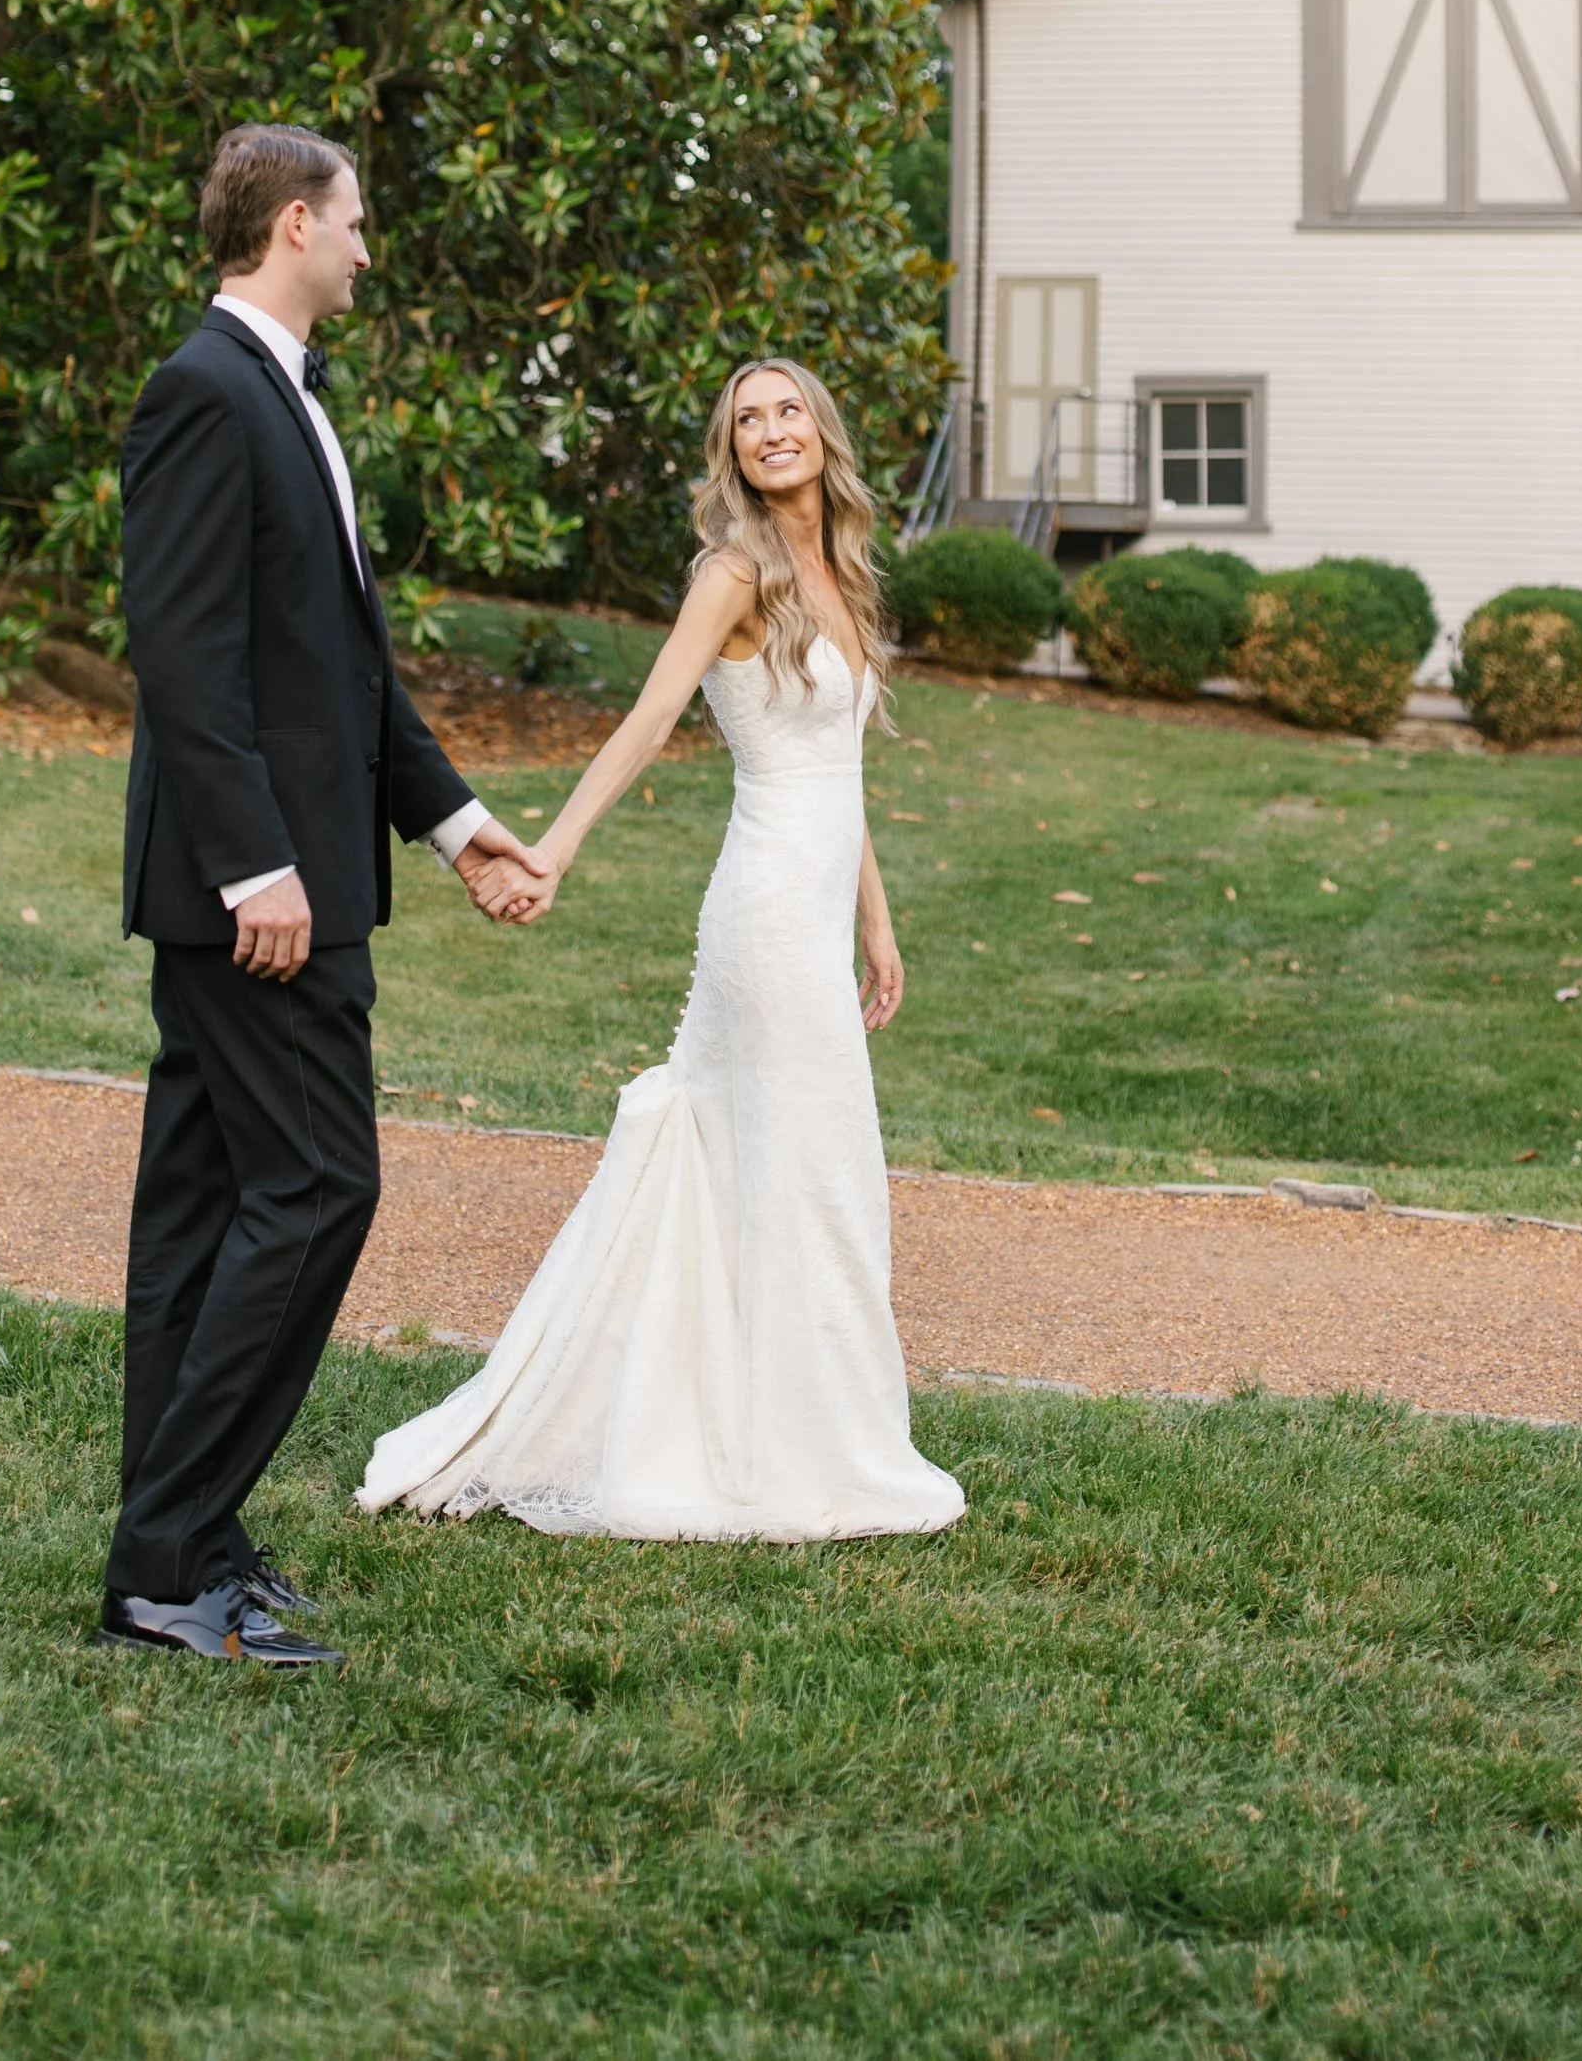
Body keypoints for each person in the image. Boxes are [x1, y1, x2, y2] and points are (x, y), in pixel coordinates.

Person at [356, 357, 964, 1544]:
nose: (771, 430)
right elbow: (646, 720)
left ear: (822, 433)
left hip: (815, 900)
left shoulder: (838, 571)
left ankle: (808, 1420)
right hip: (763, 918)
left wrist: (876, 919)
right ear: (729, 452)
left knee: (816, 1169)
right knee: (796, 1167)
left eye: (788, 410)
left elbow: (836, 770)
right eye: (748, 419)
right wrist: (554, 850)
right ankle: (767, 1444)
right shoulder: (733, 573)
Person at [100, 122, 554, 1667]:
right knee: (316, 1192)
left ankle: (182, 1544)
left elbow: (337, 669)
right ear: (296, 223)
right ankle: (167, 1561)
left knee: (213, 1208)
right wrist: (256, 867)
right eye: (357, 224)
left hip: (292, 874)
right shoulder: (204, 392)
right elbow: (184, 656)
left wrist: (459, 825)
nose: (368, 249)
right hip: (258, 897)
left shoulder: (281, 399)